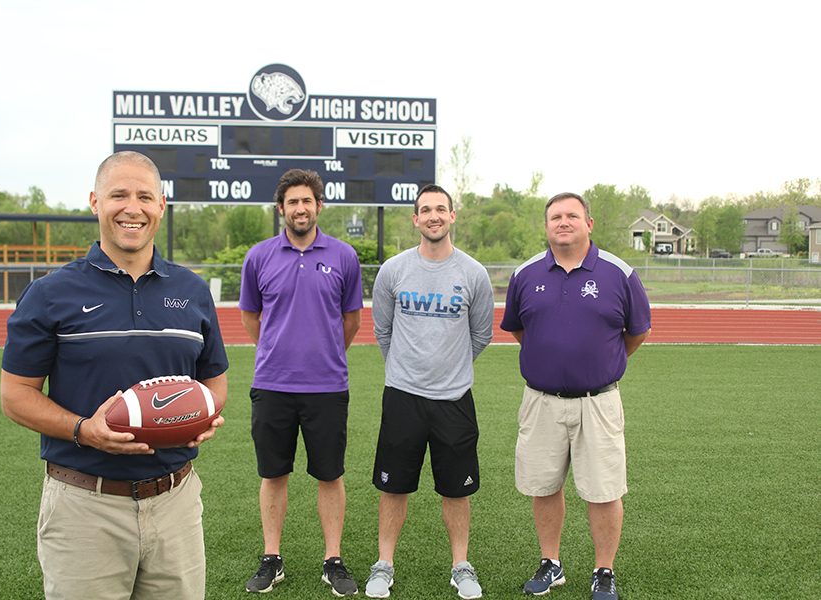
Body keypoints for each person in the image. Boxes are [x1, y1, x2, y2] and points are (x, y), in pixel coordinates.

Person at [0, 151, 229, 600]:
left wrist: (204, 416)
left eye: (145, 196)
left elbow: (214, 380)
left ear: (161, 205)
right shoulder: (50, 293)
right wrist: (85, 431)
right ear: (94, 202)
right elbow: (15, 394)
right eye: (118, 195)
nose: (132, 207)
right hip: (85, 505)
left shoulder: (193, 290)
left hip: (176, 501)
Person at [500, 192, 651, 600]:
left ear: (589, 222)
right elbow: (518, 329)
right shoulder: (526, 274)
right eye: (554, 217)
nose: (562, 222)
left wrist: (600, 364)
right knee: (544, 486)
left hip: (598, 402)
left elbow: (636, 333)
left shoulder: (619, 273)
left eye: (571, 215)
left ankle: (604, 571)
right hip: (541, 401)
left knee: (604, 491)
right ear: (546, 225)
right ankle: (552, 563)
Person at [364, 184, 494, 600]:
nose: (434, 215)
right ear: (415, 219)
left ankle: (461, 565)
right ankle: (384, 564)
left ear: (452, 216)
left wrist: (448, 368)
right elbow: (383, 330)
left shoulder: (473, 273)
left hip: (454, 399)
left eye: (441, 208)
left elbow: (481, 334)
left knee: (456, 489)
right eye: (426, 209)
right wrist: (409, 367)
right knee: (393, 486)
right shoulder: (394, 270)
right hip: (402, 395)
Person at [239, 168, 363, 596]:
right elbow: (252, 319)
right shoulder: (258, 257)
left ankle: (333, 559)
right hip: (273, 384)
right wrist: (281, 351)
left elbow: (351, 320)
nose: (300, 208)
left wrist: (322, 352)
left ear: (319, 206)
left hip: (327, 386)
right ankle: (272, 558)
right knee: (274, 474)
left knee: (330, 475)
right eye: (292, 202)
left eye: (307, 201)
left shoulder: (344, 256)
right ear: (281, 209)